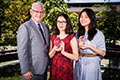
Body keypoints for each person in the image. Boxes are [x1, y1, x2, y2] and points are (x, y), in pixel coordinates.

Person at [17, 2, 50, 80]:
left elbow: (46, 48)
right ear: (31, 12)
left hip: (44, 70)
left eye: (41, 12)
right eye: (36, 11)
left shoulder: (45, 27)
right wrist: (25, 70)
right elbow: (22, 50)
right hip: (31, 71)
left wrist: (48, 64)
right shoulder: (25, 27)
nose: (39, 14)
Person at [74, 8, 106, 80]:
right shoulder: (78, 33)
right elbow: (75, 50)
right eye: (81, 17)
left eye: (86, 17)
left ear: (91, 19)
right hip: (79, 62)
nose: (83, 19)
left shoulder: (98, 34)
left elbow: (103, 53)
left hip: (92, 64)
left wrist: (89, 46)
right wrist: (78, 45)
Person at [49, 13, 79, 80]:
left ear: (67, 23)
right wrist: (54, 49)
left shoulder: (71, 38)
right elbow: (49, 56)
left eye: (63, 22)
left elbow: (76, 57)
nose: (61, 24)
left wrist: (63, 52)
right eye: (59, 22)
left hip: (66, 69)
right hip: (54, 68)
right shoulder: (52, 37)